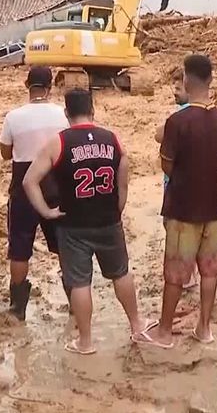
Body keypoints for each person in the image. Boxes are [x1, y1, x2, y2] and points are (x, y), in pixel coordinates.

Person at [22, 89, 149, 354]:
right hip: (108, 220)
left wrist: (46, 211)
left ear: (67, 114)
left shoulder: (58, 142)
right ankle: (136, 325)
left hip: (73, 224)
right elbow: (122, 175)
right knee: (121, 273)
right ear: (93, 110)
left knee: (80, 283)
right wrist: (117, 208)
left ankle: (86, 341)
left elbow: (29, 181)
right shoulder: (112, 139)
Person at [145, 54, 217, 349]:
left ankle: (165, 331)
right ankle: (204, 328)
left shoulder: (177, 121)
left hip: (183, 206)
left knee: (176, 272)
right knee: (209, 269)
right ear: (210, 81)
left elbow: (167, 164)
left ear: (185, 79)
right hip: (213, 206)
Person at [0, 66, 69, 321]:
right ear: (51, 87)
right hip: (56, 187)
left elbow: (6, 153)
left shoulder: (13, 117)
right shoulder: (62, 115)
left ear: (27, 85)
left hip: (23, 187)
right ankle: (75, 300)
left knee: (19, 248)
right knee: (64, 246)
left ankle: (17, 309)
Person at [155, 86, 197, 290]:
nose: (174, 91)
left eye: (179, 87)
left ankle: (185, 275)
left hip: (175, 181)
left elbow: (159, 135)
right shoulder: (206, 114)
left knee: (175, 226)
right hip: (196, 181)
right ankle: (193, 272)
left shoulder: (180, 115)